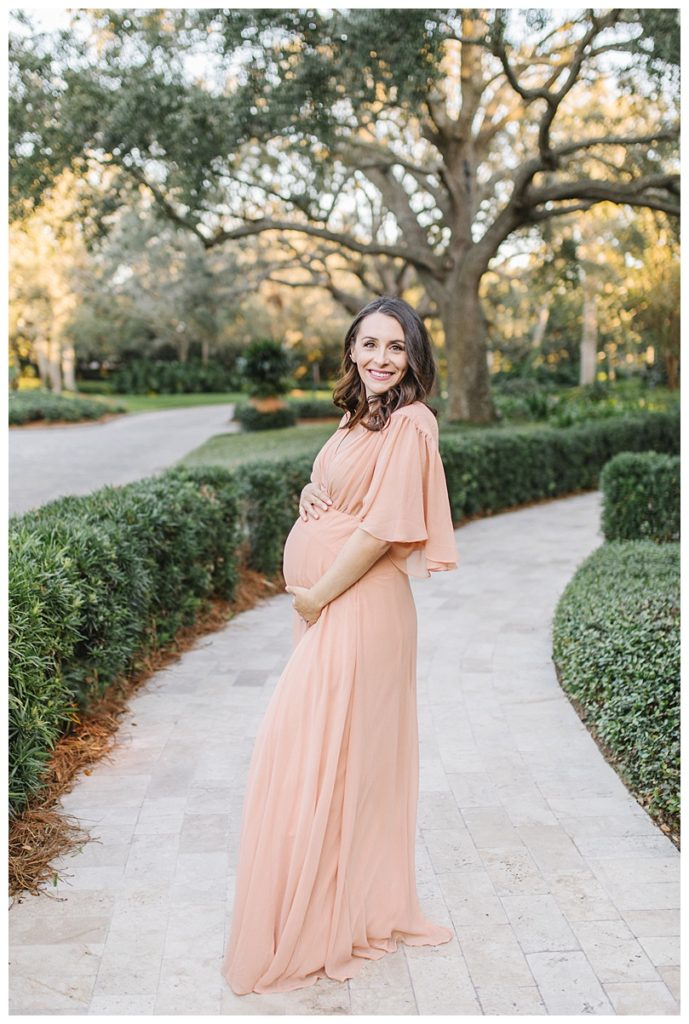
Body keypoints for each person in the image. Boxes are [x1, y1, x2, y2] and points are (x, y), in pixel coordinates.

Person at [221, 295, 459, 995]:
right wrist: (307, 493)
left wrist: (318, 593)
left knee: (319, 756)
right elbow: (346, 492)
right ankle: (332, 903)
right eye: (369, 345)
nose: (381, 359)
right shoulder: (359, 416)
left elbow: (383, 527)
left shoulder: (413, 422)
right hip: (328, 608)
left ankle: (331, 916)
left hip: (355, 609)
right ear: (351, 350)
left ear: (414, 357)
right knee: (324, 758)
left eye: (396, 347)